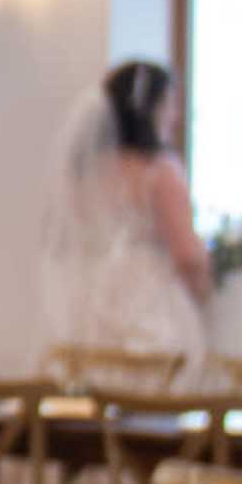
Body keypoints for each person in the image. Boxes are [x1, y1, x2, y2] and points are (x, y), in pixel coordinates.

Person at [42, 60, 213, 365]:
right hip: (146, 297)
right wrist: (200, 293)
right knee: (151, 392)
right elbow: (187, 254)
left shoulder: (85, 170)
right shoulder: (160, 170)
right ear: (152, 109)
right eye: (169, 104)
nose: (174, 116)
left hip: (90, 297)